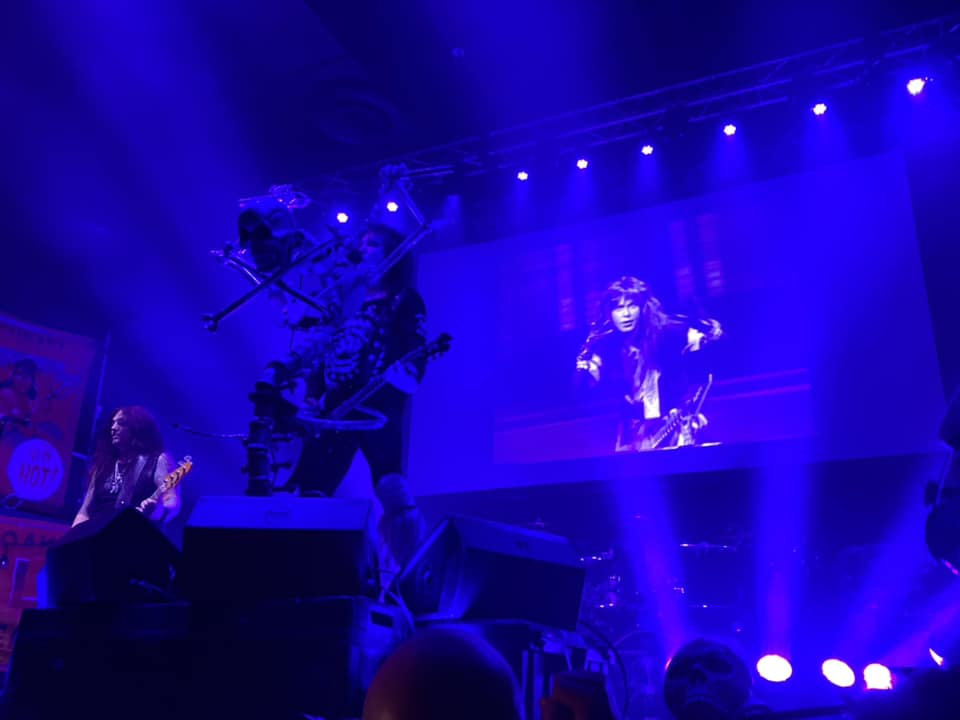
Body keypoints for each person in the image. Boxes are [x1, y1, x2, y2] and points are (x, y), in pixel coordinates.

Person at [285, 222, 428, 569]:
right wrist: (312, 397)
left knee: (391, 484)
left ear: (392, 254)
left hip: (378, 405)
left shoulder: (402, 300)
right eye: (361, 243)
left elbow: (415, 346)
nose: (363, 249)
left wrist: (407, 375)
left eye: (373, 244)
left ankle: (412, 573)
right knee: (312, 487)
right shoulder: (343, 304)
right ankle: (301, 567)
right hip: (334, 408)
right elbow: (322, 354)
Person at [576, 276, 722, 453]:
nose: (626, 314)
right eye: (619, 308)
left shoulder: (668, 333)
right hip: (632, 438)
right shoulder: (606, 345)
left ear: (643, 307)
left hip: (675, 427)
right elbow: (590, 386)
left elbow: (703, 371)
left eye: (632, 306)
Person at [71, 405, 181, 527]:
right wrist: (75, 533)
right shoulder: (104, 464)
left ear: (137, 428)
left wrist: (157, 511)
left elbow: (171, 501)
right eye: (112, 423)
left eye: (121, 423)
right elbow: (86, 509)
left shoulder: (158, 460)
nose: (113, 428)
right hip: (97, 533)